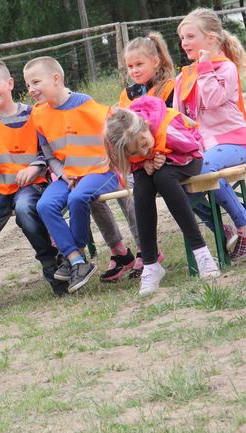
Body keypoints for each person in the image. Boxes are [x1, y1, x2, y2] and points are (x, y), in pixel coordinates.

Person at [0, 58, 68, 310]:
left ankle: (50, 265)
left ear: (10, 84)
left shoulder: (35, 115)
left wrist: (36, 166)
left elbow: (50, 149)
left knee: (25, 210)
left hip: (31, 186)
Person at [104, 96, 220, 294]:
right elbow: (130, 163)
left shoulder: (167, 126)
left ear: (146, 126)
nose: (143, 149)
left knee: (163, 177)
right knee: (141, 186)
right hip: (155, 166)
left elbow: (194, 147)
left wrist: (160, 154)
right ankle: (151, 264)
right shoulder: (127, 143)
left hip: (188, 157)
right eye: (136, 151)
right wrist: (143, 162)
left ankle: (202, 253)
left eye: (144, 143)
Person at [25, 56, 119, 293]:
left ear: (56, 79)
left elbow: (115, 140)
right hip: (69, 175)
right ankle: (77, 260)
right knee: (45, 205)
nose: (31, 89)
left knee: (78, 198)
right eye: (28, 85)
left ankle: (74, 256)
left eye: (36, 82)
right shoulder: (38, 114)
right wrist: (63, 174)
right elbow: (49, 155)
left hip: (101, 171)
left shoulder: (89, 106)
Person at [95, 32, 178, 281]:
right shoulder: (127, 95)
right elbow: (122, 132)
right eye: (130, 66)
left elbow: (171, 126)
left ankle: (146, 250)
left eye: (139, 64)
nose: (134, 70)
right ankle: (138, 251)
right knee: (126, 190)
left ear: (156, 61)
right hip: (139, 160)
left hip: (167, 155)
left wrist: (155, 157)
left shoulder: (169, 88)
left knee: (176, 189)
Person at [175, 7, 246, 261]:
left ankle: (244, 227)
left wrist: (204, 67)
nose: (184, 43)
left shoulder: (225, 68)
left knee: (203, 169)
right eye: (182, 38)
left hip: (235, 141)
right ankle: (221, 229)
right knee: (175, 184)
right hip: (202, 146)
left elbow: (214, 99)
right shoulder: (183, 77)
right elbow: (178, 118)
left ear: (212, 39)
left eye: (190, 36)